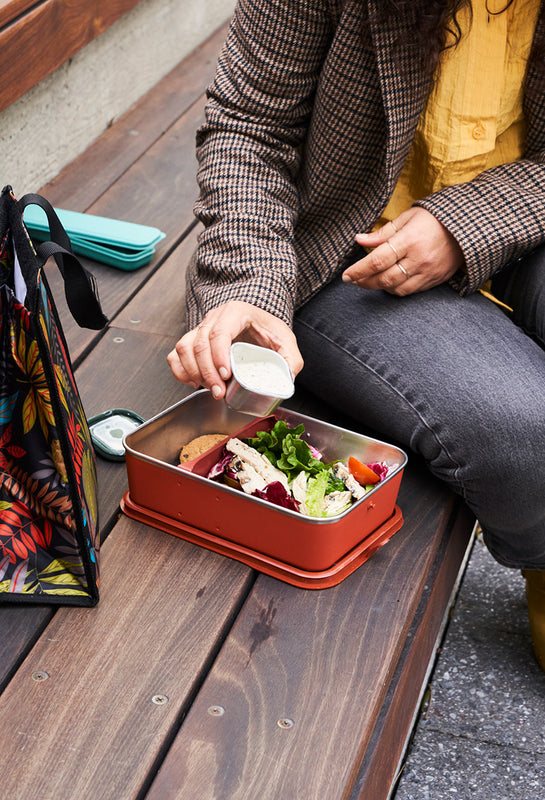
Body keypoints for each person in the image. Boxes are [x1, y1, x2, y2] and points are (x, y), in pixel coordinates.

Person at [167, 0, 545, 671]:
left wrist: (469, 221)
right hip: (343, 252)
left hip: (528, 224)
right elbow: (248, 127)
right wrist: (247, 288)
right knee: (523, 431)